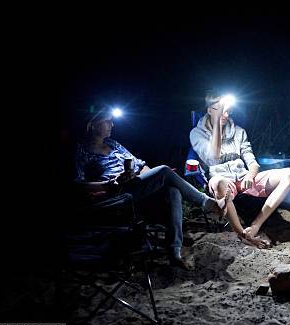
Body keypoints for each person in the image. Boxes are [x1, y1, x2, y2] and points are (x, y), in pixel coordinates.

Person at [76, 108, 229, 269]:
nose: (112, 124)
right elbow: (76, 184)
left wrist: (155, 180)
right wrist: (106, 185)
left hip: (135, 186)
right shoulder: (81, 151)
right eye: (107, 121)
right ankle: (207, 202)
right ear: (92, 125)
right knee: (163, 169)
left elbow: (140, 165)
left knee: (173, 191)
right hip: (115, 196)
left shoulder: (113, 144)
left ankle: (174, 252)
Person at [190, 94, 290, 249]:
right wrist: (217, 127)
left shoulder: (239, 131)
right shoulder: (197, 133)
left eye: (228, 111)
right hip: (221, 180)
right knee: (219, 182)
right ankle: (243, 235)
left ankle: (256, 224)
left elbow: (252, 162)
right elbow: (213, 158)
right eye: (221, 111)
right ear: (209, 110)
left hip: (244, 177)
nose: (225, 115)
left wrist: (250, 174)